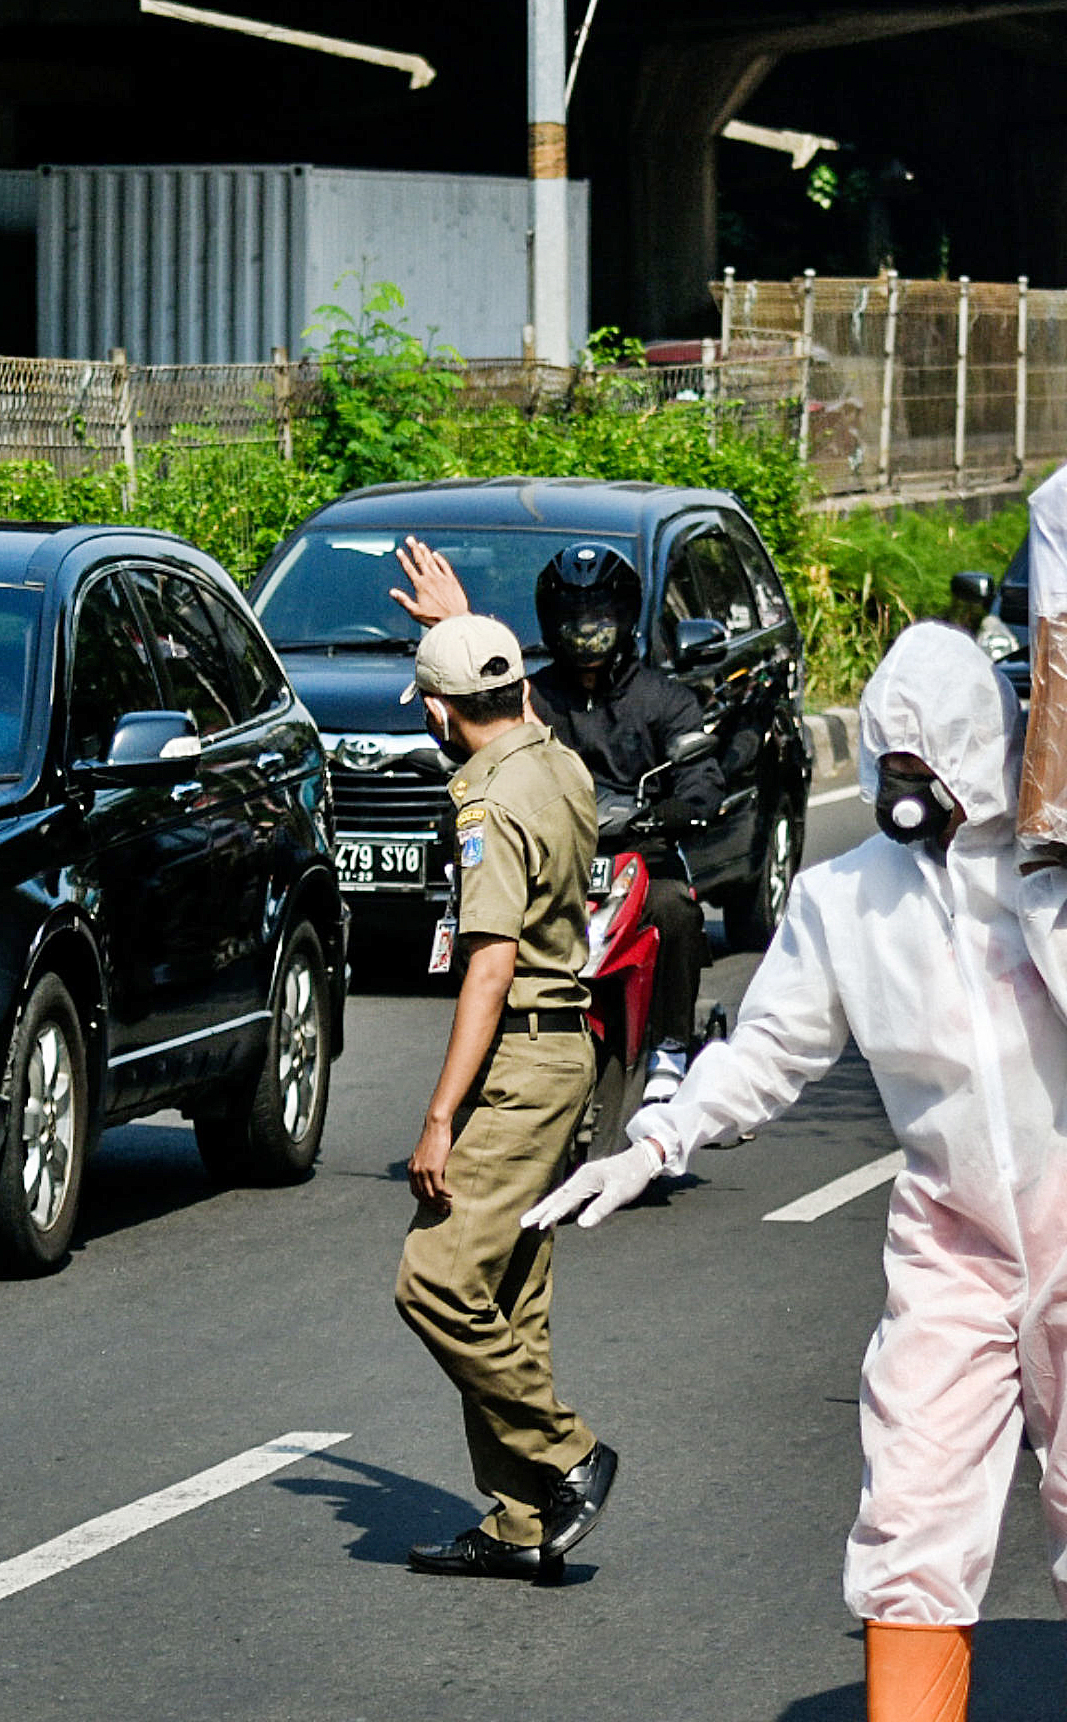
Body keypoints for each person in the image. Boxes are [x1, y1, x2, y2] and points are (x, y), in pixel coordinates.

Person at [528, 625, 1067, 1722]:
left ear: (982, 757)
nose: (903, 792)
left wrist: (1042, 876)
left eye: (924, 765)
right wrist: (658, 1139)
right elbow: (768, 1047)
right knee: (911, 1514)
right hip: (951, 1244)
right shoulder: (846, 899)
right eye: (889, 764)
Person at [391, 613, 620, 1580]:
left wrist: (439, 1118)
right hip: (568, 1053)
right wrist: (456, 625)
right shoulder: (559, 765)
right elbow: (510, 700)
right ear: (517, 691)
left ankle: (569, 1455)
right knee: (512, 1292)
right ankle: (524, 1520)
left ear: (439, 712)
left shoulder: (487, 803)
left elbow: (488, 966)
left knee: (435, 1281)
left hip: (519, 1062)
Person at [394, 538, 723, 1099]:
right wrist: (457, 623)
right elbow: (481, 707)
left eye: (600, 620)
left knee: (675, 907)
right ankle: (500, 1045)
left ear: (627, 619)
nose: (587, 634)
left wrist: (682, 807)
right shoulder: (530, 696)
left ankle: (669, 1048)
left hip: (639, 856)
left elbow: (701, 777)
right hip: (552, 863)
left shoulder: (665, 700)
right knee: (483, 923)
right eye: (573, 621)